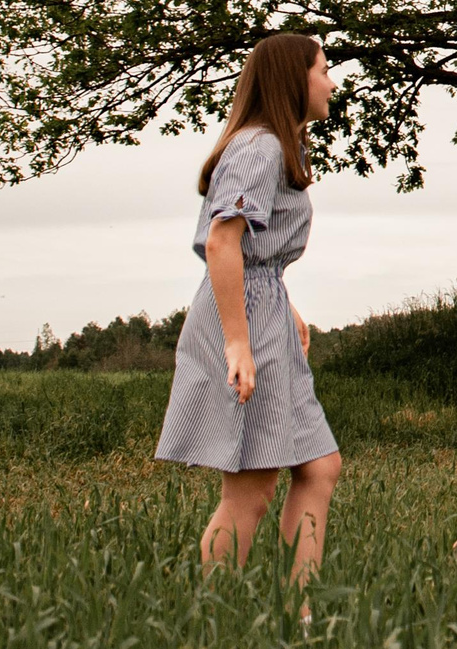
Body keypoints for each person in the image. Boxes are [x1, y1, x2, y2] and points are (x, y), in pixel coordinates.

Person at [155, 32, 344, 585]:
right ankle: (213, 619)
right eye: (324, 69)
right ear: (294, 79)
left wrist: (286, 311)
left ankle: (299, 609)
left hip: (267, 312)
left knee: (319, 467)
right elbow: (222, 242)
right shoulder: (258, 146)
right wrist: (239, 341)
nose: (332, 82)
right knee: (253, 487)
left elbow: (260, 256)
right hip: (243, 325)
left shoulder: (280, 146)